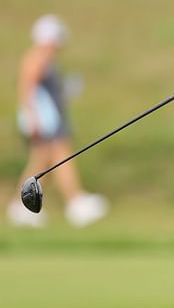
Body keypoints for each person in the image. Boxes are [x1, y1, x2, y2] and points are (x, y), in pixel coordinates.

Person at [7, 14, 108, 228]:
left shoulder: (45, 58)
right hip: (45, 121)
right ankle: (75, 203)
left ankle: (21, 207)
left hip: (47, 119)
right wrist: (32, 120)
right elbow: (27, 90)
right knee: (62, 158)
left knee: (41, 163)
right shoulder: (37, 58)